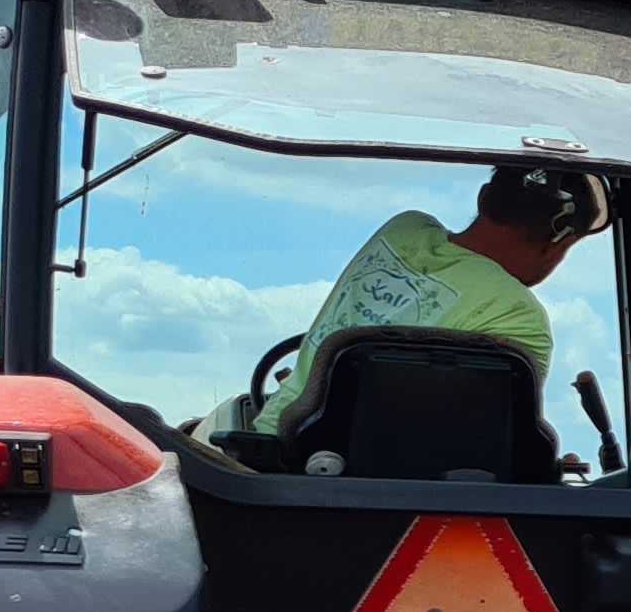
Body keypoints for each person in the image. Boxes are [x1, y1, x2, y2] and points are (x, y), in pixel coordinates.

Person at [258, 162, 608, 434]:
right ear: (559, 243)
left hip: (275, 447)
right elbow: (481, 443)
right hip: (380, 496)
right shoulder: (518, 315)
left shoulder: (403, 230)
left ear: (484, 197)